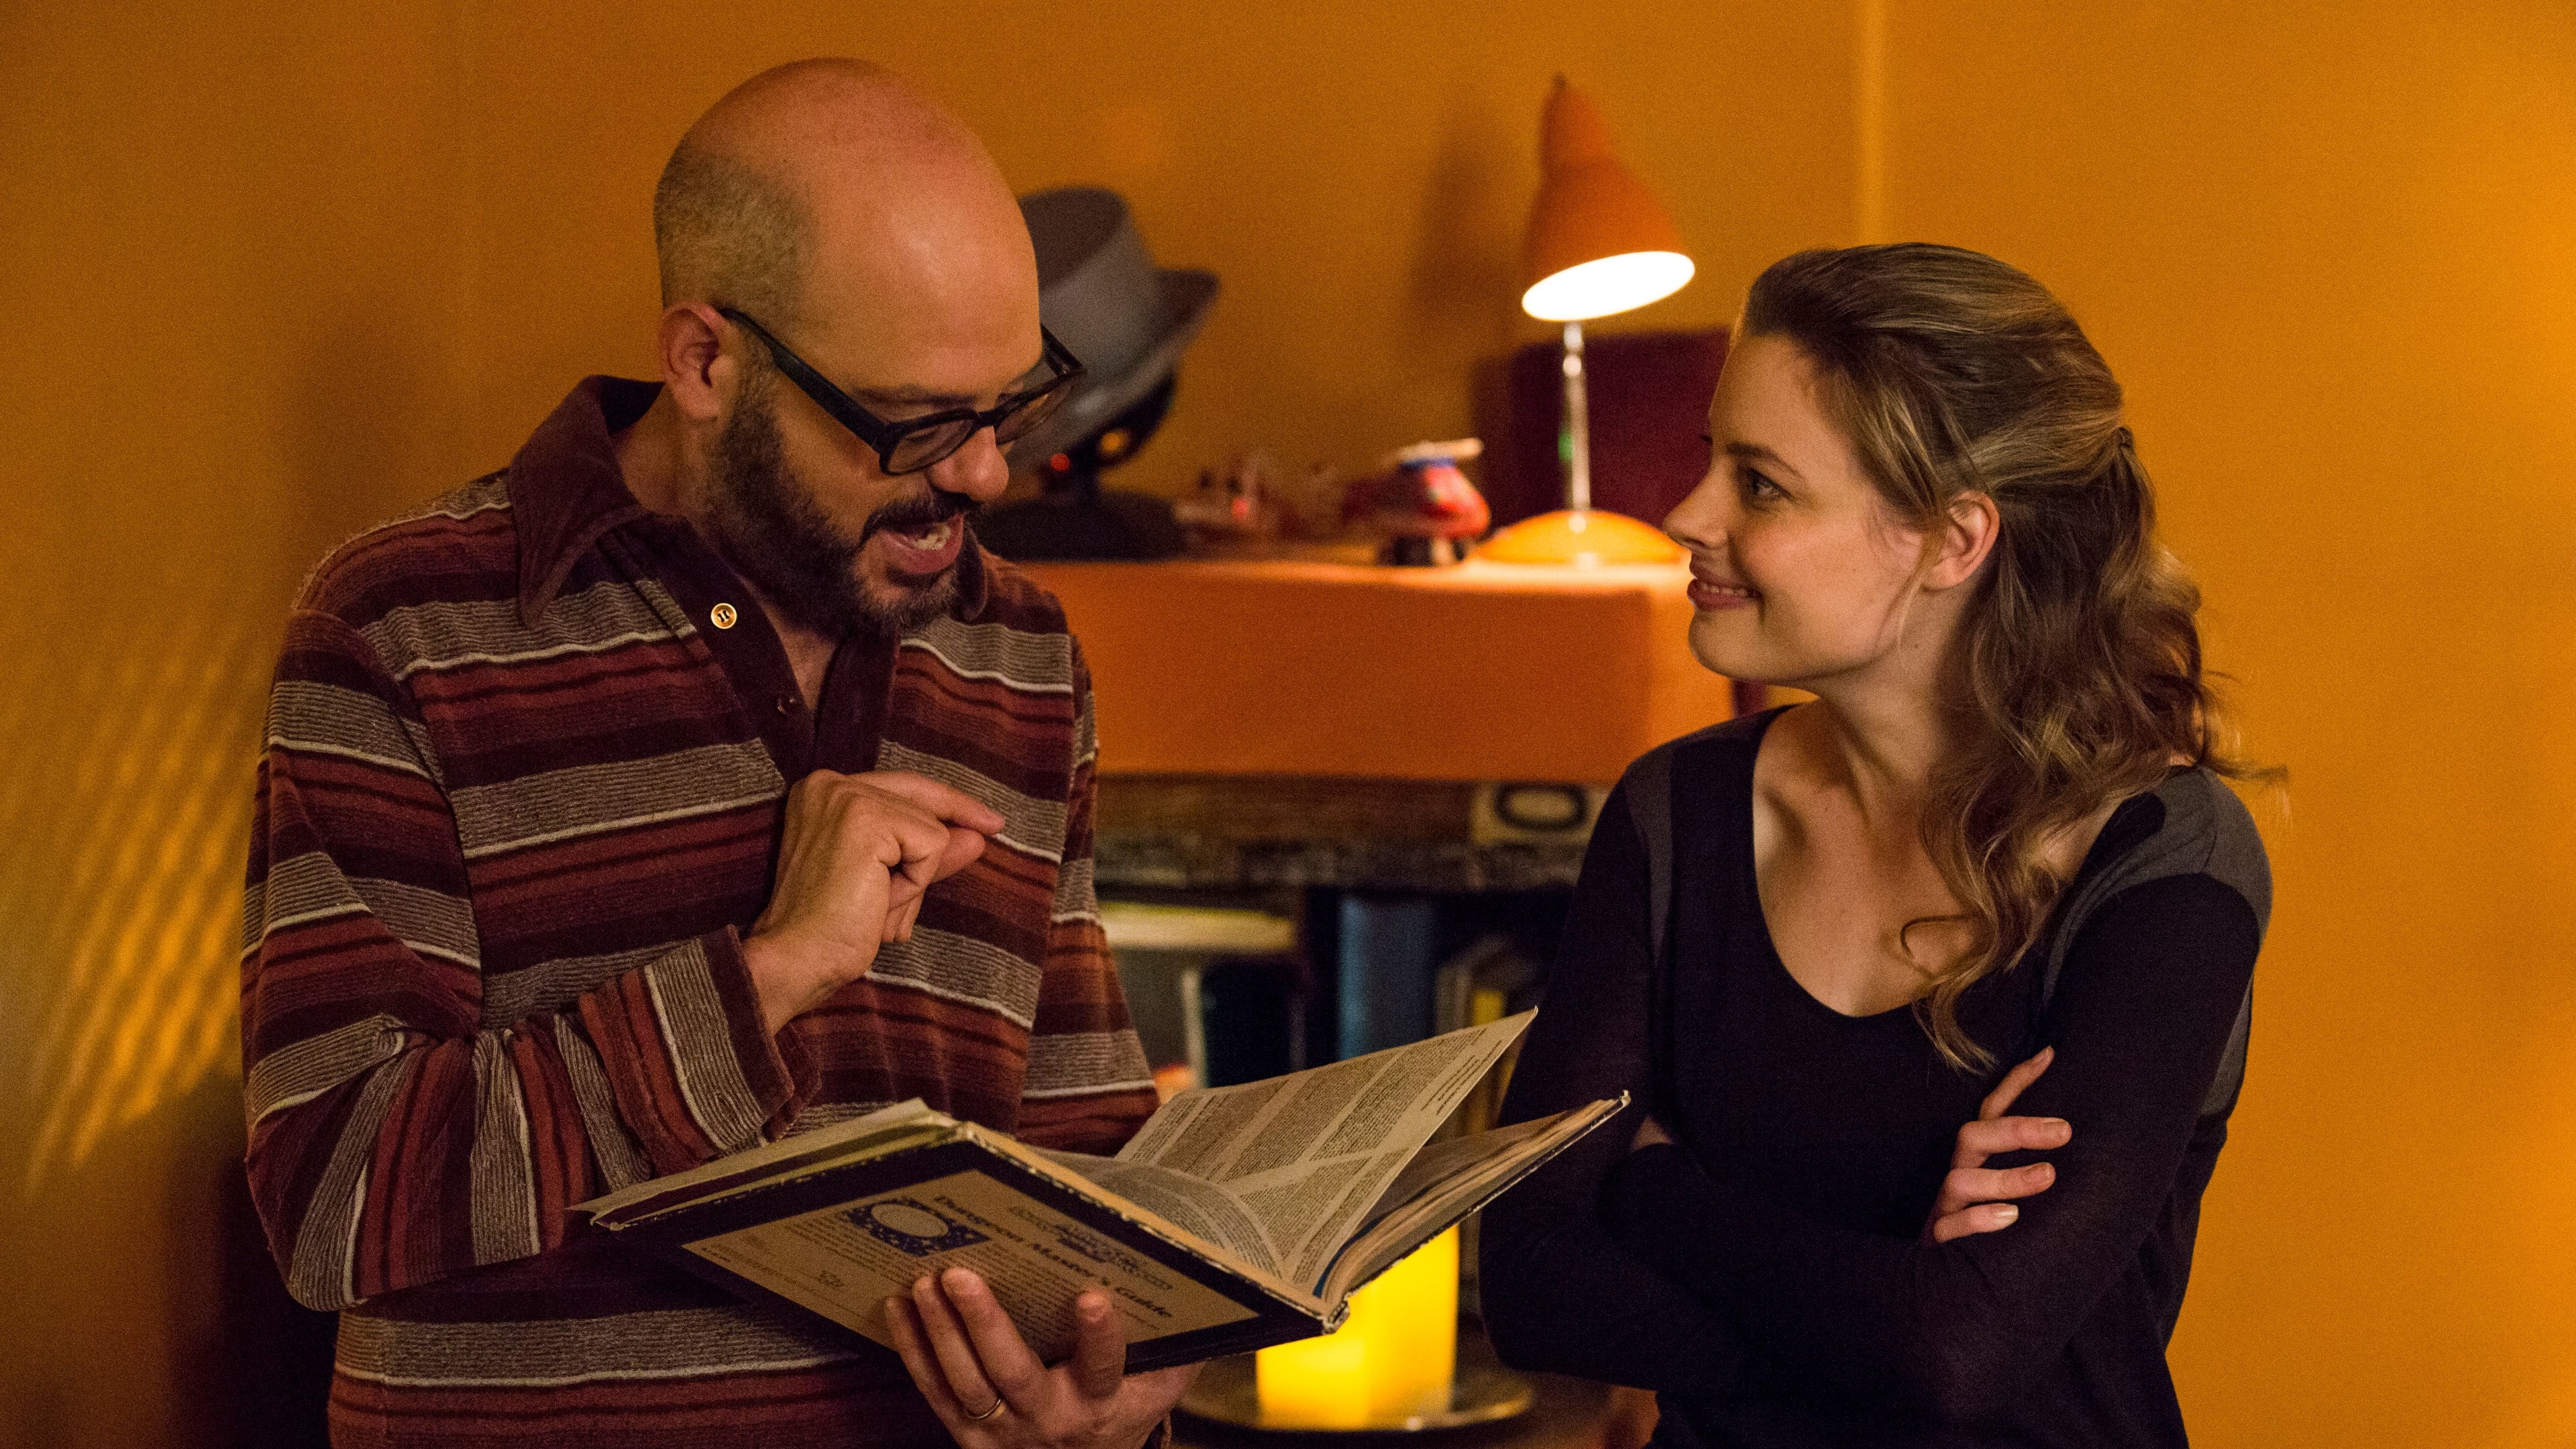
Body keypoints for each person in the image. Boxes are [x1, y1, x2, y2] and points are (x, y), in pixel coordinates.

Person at [240, 59, 1197, 1449]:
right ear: (705, 363)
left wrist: (1107, 1390)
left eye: (1010, 406)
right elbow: (332, 1201)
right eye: (919, 426)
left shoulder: (1020, 647)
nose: (984, 475)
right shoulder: (405, 625)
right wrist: (769, 975)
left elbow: (1083, 1155)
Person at [1479, 244, 2271, 1448]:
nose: (1688, 515)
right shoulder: (1675, 814)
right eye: (1712, 458)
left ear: (1952, 541)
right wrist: (1893, 1303)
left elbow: (1962, 1353)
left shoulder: (2164, 860)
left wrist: (1650, 1185)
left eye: (1761, 484)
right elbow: (1533, 1284)